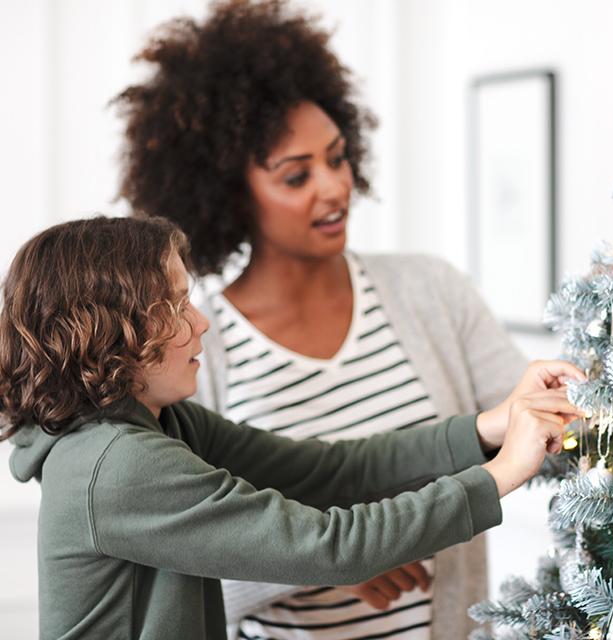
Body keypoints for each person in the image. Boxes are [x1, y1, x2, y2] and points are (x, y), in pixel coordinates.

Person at [113, 1, 529, 637]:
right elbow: (177, 568)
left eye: (336, 158)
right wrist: (332, 558)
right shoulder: (197, 347)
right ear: (230, 189)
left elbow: (528, 423)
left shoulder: (430, 291)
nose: (334, 187)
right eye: (296, 174)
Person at [0, 216, 583, 640]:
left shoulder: (157, 423)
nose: (201, 322)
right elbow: (332, 547)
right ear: (112, 334)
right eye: (175, 308)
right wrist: (504, 472)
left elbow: (332, 471)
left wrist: (488, 426)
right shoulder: (116, 464)